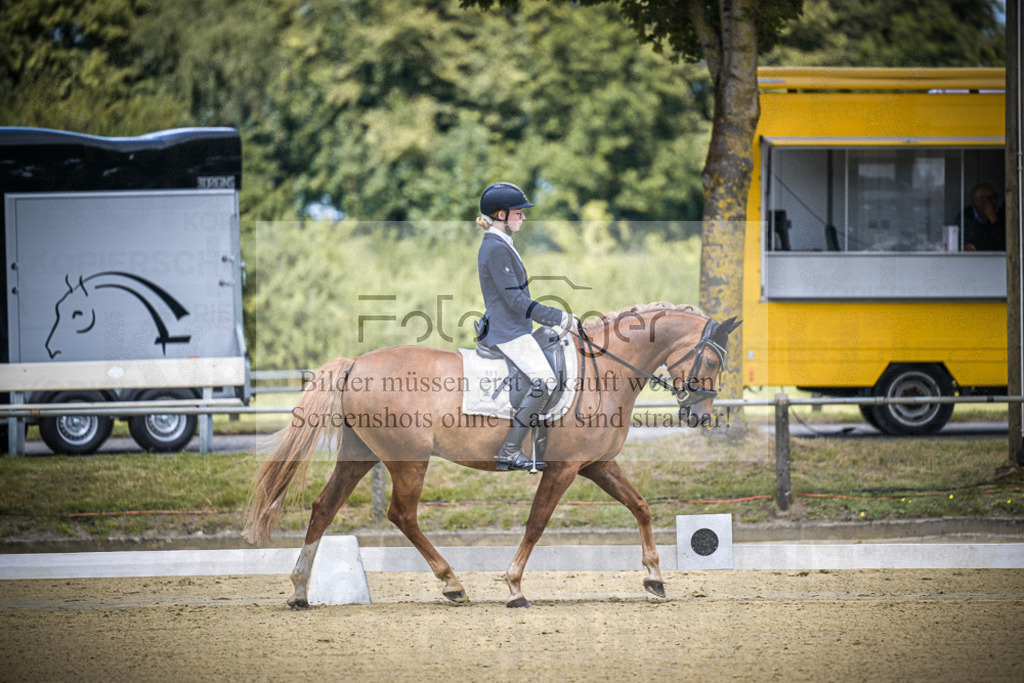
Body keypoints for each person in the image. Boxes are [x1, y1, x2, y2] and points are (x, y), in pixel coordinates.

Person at [475, 181, 575, 472]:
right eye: (519, 213)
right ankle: (510, 450)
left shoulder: (501, 243)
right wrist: (558, 317)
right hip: (507, 330)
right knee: (545, 381)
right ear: (501, 215)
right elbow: (515, 300)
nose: (524, 218)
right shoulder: (494, 248)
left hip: (514, 326)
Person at [962, 183, 1005, 251]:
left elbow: (1002, 246)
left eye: (995, 197)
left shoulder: (999, 217)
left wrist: (994, 221)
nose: (994, 201)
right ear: (977, 201)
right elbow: (977, 246)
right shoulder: (965, 217)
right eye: (990, 198)